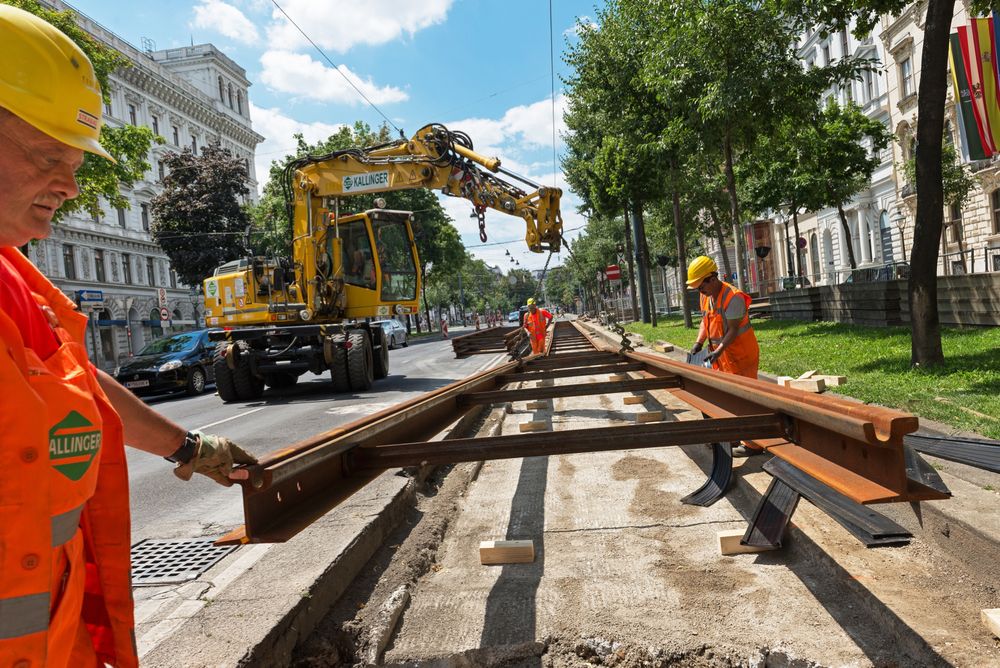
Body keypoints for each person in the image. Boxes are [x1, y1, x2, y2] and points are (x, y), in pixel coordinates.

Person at [0, 7, 256, 667]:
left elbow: (78, 389)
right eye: (47, 154)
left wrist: (192, 446)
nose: (72, 184)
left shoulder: (22, 286)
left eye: (76, 159)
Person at [686, 255, 761, 456]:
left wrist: (718, 351)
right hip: (723, 358)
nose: (699, 291)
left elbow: (733, 330)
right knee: (726, 399)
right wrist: (698, 343)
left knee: (745, 401)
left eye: (701, 286)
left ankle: (753, 446)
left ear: (712, 278)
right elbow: (705, 321)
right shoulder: (706, 296)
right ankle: (733, 436)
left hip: (741, 356)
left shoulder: (733, 297)